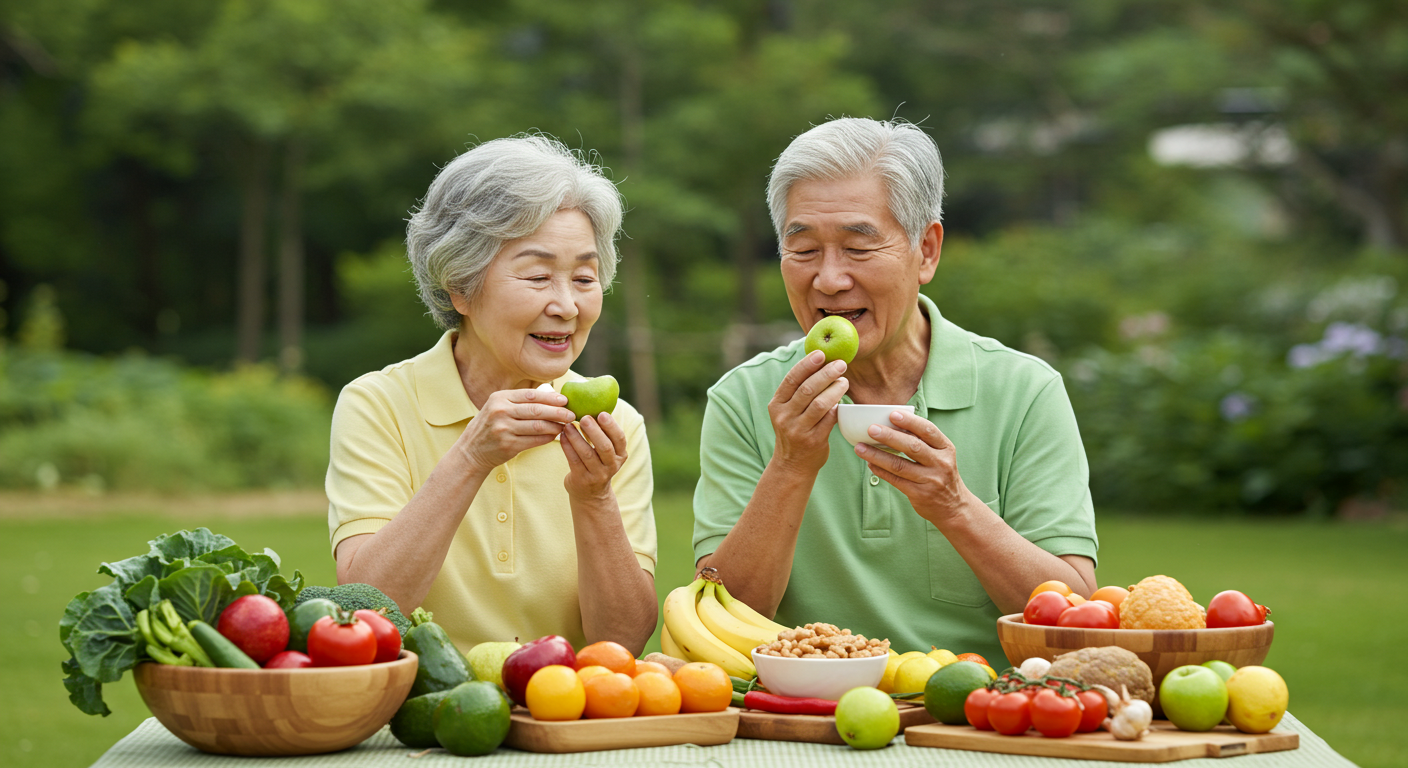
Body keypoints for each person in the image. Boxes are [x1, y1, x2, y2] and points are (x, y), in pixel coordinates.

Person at [692, 118, 1098, 664]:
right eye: (804, 249)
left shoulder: (1024, 392)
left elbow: (1077, 618)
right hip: (806, 718)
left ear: (926, 251)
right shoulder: (744, 399)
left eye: (858, 247)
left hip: (979, 716)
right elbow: (720, 621)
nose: (829, 280)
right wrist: (790, 465)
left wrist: (954, 507)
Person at [326, 136, 658, 655]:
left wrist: (594, 497)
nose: (567, 305)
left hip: (562, 716)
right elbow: (364, 613)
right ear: (459, 286)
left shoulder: (617, 425)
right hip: (418, 718)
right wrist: (471, 456)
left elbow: (622, 642)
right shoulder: (377, 405)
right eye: (538, 276)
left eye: (585, 277)